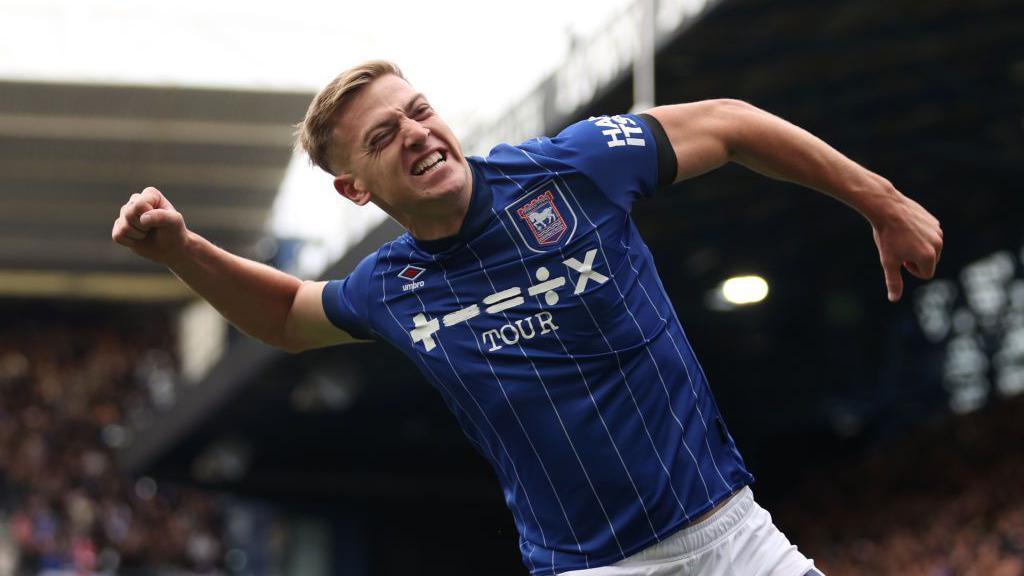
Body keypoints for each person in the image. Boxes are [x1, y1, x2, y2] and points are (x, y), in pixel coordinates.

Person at [111, 61, 942, 576]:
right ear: (355, 188)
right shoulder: (389, 286)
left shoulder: (572, 170)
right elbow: (290, 313)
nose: (417, 133)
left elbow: (726, 124)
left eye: (419, 110)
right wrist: (184, 248)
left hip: (734, 535)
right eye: (382, 136)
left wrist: (884, 200)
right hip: (592, 568)